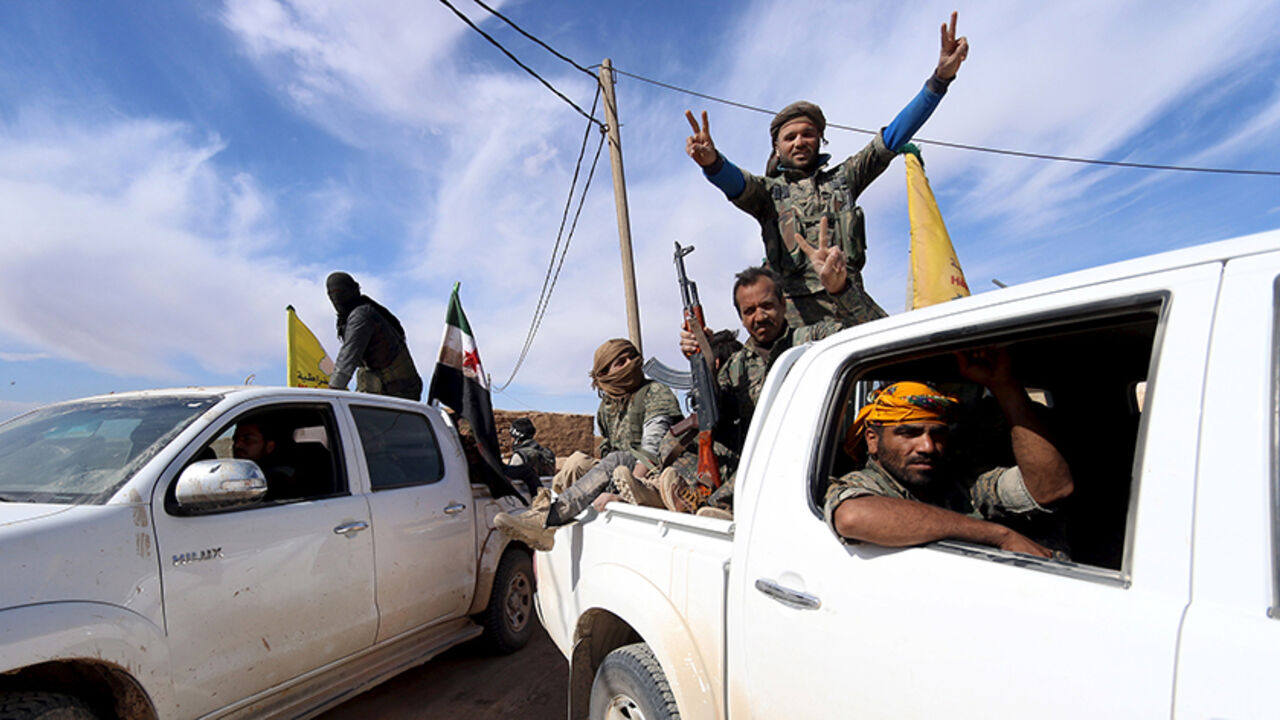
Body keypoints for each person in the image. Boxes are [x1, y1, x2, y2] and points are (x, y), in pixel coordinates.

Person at [684, 12, 969, 329]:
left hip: (849, 305)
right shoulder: (768, 193)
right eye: (789, 137)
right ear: (777, 148)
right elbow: (735, 183)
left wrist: (939, 81)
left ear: (820, 140)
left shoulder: (844, 179)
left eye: (808, 134)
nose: (799, 142)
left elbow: (892, 138)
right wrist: (712, 161)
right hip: (794, 327)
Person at [823, 348, 1075, 558]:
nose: (927, 447)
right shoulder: (864, 485)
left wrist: (1005, 387)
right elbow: (853, 517)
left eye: (938, 434)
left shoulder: (958, 480)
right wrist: (999, 535)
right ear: (873, 440)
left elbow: (1051, 489)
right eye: (909, 433)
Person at [663, 266, 848, 515]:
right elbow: (714, 415)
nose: (759, 317)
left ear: (783, 304)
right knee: (678, 445)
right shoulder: (736, 365)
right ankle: (686, 494)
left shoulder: (815, 340)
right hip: (748, 462)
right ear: (740, 317)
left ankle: (717, 505)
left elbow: (873, 335)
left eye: (767, 306)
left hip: (808, 458)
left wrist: (842, 291)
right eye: (749, 311)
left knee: (769, 455)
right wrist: (703, 364)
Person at [494, 339, 682, 551]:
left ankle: (549, 517)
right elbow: (607, 450)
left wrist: (622, 491)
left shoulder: (655, 392)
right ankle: (553, 525)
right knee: (576, 462)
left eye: (632, 357)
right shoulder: (606, 408)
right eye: (621, 361)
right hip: (620, 471)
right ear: (603, 374)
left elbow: (652, 447)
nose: (630, 363)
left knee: (618, 459)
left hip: (654, 473)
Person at [326, 272, 423, 401]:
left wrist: (331, 394)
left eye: (341, 292)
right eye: (332, 294)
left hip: (398, 394)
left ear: (354, 290)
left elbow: (347, 359)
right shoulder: (353, 316)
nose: (336, 298)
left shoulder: (362, 315)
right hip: (384, 392)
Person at [231, 420, 299, 500]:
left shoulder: (278, 482)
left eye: (247, 440)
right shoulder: (249, 475)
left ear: (269, 446)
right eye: (235, 440)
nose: (237, 445)